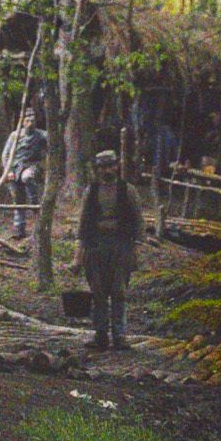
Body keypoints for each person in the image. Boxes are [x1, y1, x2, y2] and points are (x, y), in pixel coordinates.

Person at [74, 147, 143, 351]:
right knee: (98, 292)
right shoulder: (91, 191)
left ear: (117, 166)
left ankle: (120, 335)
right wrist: (78, 255)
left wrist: (135, 249)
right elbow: (82, 224)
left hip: (120, 247)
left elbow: (138, 222)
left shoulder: (127, 190)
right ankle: (101, 335)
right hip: (96, 247)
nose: (107, 170)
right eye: (103, 167)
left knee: (119, 292)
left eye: (110, 166)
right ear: (98, 169)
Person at [0, 104, 47, 240]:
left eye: (32, 120)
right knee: (18, 201)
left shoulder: (41, 135)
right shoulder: (14, 136)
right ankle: (19, 229)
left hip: (31, 166)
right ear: (22, 121)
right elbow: (5, 155)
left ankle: (34, 202)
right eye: (27, 120)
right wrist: (8, 171)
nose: (30, 123)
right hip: (15, 169)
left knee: (27, 177)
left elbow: (52, 147)